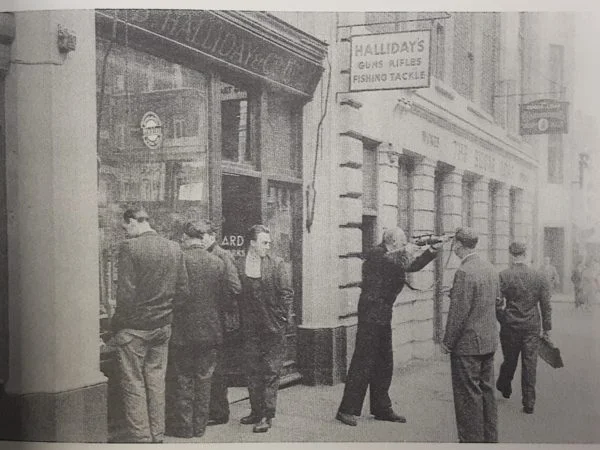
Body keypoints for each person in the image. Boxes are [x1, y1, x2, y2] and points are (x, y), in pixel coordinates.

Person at [336, 227, 441, 427]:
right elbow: (399, 260)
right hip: (371, 316)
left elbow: (411, 265)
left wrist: (431, 251)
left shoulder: (391, 255)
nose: (404, 245)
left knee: (384, 363)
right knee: (363, 363)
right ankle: (346, 410)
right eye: (402, 242)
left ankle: (381, 408)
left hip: (382, 315)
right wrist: (411, 249)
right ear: (392, 242)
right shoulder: (378, 255)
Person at [111, 207, 188, 443]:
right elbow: (184, 291)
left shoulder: (129, 248)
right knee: (156, 382)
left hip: (134, 328)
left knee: (133, 382)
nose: (125, 233)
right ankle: (158, 434)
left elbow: (125, 294)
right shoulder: (174, 247)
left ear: (133, 222)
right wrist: (165, 311)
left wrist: (117, 324)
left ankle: (141, 438)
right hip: (163, 326)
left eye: (125, 227)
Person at [165, 221, 226, 438]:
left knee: (182, 379)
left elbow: (173, 297)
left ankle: (184, 427)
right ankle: (199, 427)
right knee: (204, 380)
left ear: (185, 237)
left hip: (182, 332)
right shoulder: (218, 263)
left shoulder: (178, 260)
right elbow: (224, 299)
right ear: (202, 239)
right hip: (210, 331)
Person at [441, 227, 500, 443]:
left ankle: (471, 442)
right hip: (488, 341)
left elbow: (458, 314)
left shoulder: (464, 272)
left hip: (467, 346)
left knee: (468, 398)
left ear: (458, 244)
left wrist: (447, 343)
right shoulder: (490, 268)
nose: (453, 247)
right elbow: (492, 300)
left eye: (454, 244)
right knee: (486, 394)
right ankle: (490, 440)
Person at [236, 225, 293, 433]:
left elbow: (287, 294)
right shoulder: (240, 264)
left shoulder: (276, 264)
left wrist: (281, 320)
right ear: (252, 243)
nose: (268, 246)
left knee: (270, 372)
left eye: (269, 242)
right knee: (252, 370)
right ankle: (255, 411)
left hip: (272, 327)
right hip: (250, 328)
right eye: (264, 242)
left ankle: (267, 416)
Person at [189, 220, 243, 427]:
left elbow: (235, 287)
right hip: (212, 321)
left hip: (220, 321)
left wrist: (218, 303)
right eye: (198, 236)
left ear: (212, 236)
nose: (200, 240)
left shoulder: (221, 256)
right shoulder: (210, 255)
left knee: (217, 370)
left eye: (203, 236)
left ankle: (220, 412)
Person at [495, 242, 552, 415]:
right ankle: (529, 402)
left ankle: (504, 384)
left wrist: (503, 319)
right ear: (525, 254)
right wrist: (547, 328)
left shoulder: (504, 275)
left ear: (511, 254)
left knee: (510, 360)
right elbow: (546, 304)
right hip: (531, 326)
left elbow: (497, 303)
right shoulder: (539, 276)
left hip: (510, 326)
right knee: (530, 363)